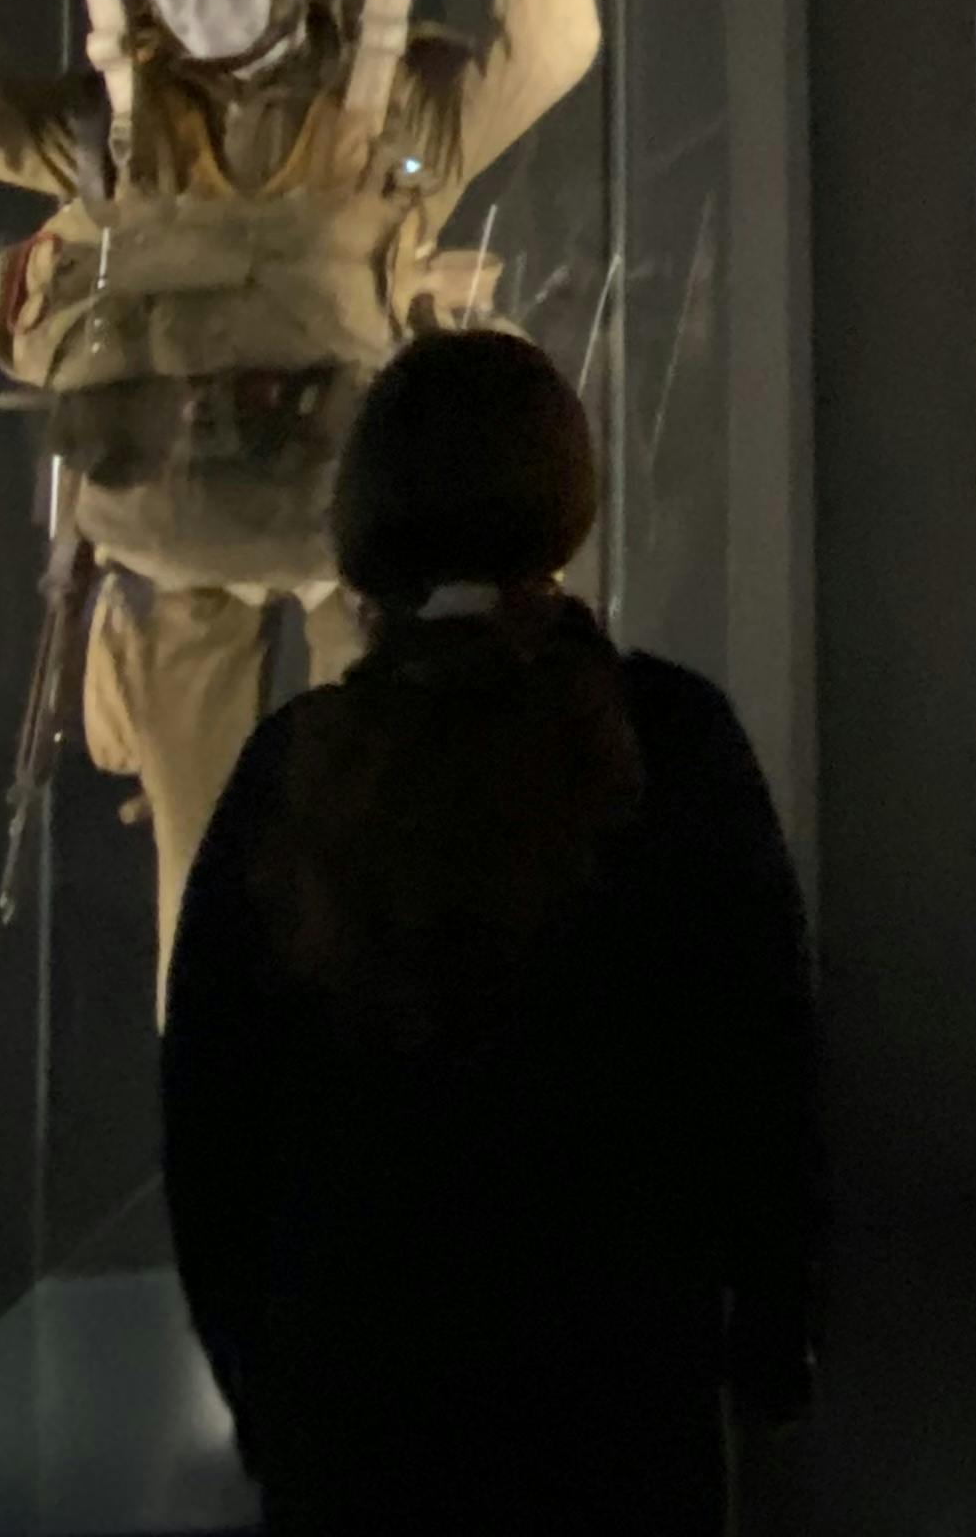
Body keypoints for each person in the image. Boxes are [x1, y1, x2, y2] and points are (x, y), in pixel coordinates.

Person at [0, 0, 600, 1007]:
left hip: (354, 547)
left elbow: (549, 51)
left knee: (382, 861)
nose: (208, 12)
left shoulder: (390, 114)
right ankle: (220, 1081)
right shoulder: (113, 131)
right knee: (202, 882)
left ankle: (378, 1069)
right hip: (174, 546)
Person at [161, 330, 816, 1535]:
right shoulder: (671, 737)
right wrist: (773, 1342)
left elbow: (211, 1118)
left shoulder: (295, 766)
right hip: (616, 1391)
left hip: (358, 1411)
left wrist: (263, 1389)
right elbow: (763, 1061)